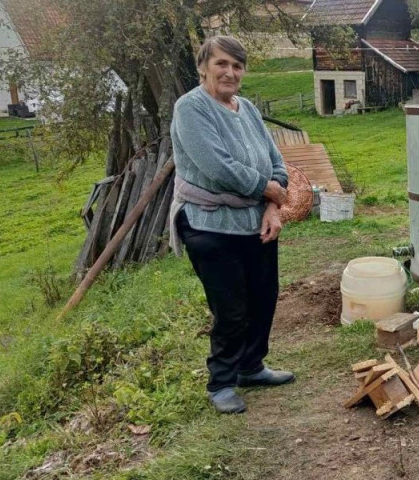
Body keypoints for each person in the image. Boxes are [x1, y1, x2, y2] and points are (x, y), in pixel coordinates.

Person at [169, 36, 293, 414]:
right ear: (203, 67)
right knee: (231, 308)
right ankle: (221, 382)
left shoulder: (249, 108)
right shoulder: (191, 109)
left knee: (264, 297)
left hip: (256, 221)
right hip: (211, 225)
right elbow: (218, 167)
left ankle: (251, 367)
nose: (230, 72)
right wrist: (267, 188)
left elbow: (275, 158)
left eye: (237, 66)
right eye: (221, 64)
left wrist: (273, 204)